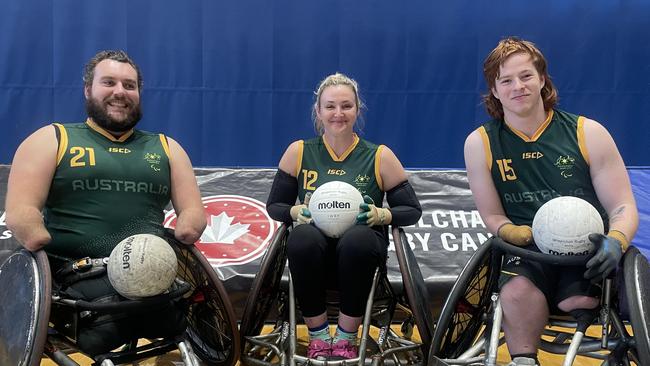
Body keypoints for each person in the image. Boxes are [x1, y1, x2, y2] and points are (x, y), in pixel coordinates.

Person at [5, 50, 206, 356]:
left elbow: (192, 211)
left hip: (151, 274)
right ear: (88, 90)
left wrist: (188, 226)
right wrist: (34, 232)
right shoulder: (52, 139)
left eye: (129, 85)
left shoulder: (166, 147)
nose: (119, 92)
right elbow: (21, 210)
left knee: (172, 303)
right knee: (110, 320)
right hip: (76, 277)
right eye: (108, 82)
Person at [464, 37, 639, 366]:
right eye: (506, 80)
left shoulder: (588, 132)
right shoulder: (480, 143)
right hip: (526, 251)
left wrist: (616, 239)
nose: (518, 86)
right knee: (516, 294)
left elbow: (623, 207)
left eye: (526, 76)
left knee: (579, 301)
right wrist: (510, 231)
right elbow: (491, 214)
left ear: (542, 79)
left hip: (586, 252)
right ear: (495, 90)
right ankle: (524, 360)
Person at [266, 72, 422, 360]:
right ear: (319, 111)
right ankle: (319, 335)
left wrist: (382, 214)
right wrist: (294, 211)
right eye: (330, 106)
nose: (338, 113)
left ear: (357, 110)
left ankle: (347, 337)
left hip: (361, 251)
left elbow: (412, 211)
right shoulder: (298, 152)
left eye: (346, 106)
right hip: (314, 253)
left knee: (358, 239)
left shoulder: (379, 156)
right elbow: (274, 205)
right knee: (301, 237)